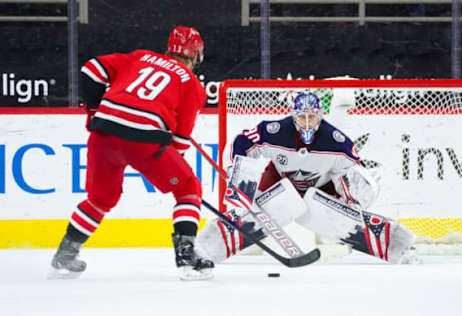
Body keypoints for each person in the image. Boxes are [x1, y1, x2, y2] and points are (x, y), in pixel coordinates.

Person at [49, 26, 214, 281]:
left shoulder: (138, 57)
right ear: (195, 55)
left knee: (100, 200)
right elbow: (180, 142)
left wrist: (94, 109)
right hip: (144, 140)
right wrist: (173, 172)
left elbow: (90, 69)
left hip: (103, 133)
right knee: (188, 188)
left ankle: (66, 252)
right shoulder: (191, 84)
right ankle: (186, 256)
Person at [196, 90, 421, 265]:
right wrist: (238, 177)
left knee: (355, 200)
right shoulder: (275, 131)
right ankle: (209, 246)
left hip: (322, 186)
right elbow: (241, 143)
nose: (306, 122)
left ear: (320, 116)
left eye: (311, 117)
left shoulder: (337, 142)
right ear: (293, 116)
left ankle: (398, 246)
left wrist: (351, 208)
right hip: (278, 180)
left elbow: (347, 174)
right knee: (247, 211)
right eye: (301, 117)